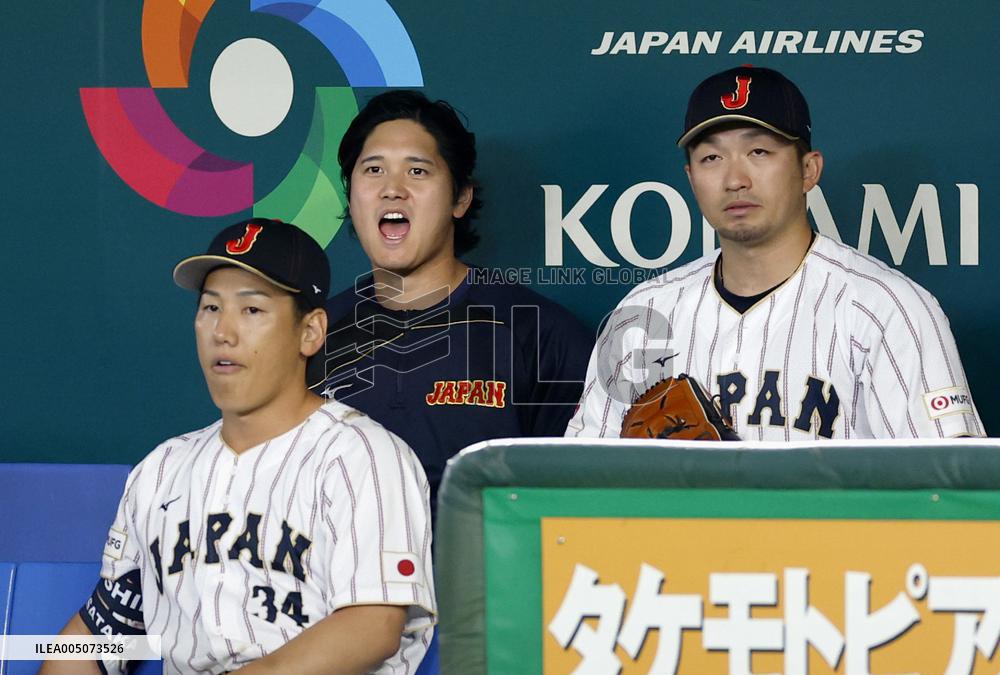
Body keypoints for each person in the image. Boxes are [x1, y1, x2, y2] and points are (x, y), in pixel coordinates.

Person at [43, 218, 435, 674]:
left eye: (251, 311)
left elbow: (372, 625)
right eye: (210, 308)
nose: (222, 331)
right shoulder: (162, 469)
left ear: (310, 332)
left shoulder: (361, 456)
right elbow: (97, 634)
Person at [567, 65, 984, 439]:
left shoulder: (888, 310)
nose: (734, 179)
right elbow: (580, 480)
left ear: (809, 170)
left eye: (759, 152)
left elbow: (944, 492)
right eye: (711, 157)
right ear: (691, 179)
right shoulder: (644, 312)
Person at [319, 90, 593, 515]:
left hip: (488, 579)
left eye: (417, 170)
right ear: (351, 195)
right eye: (373, 170)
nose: (393, 189)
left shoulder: (537, 333)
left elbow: (581, 502)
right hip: (337, 581)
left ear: (460, 197)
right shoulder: (309, 337)